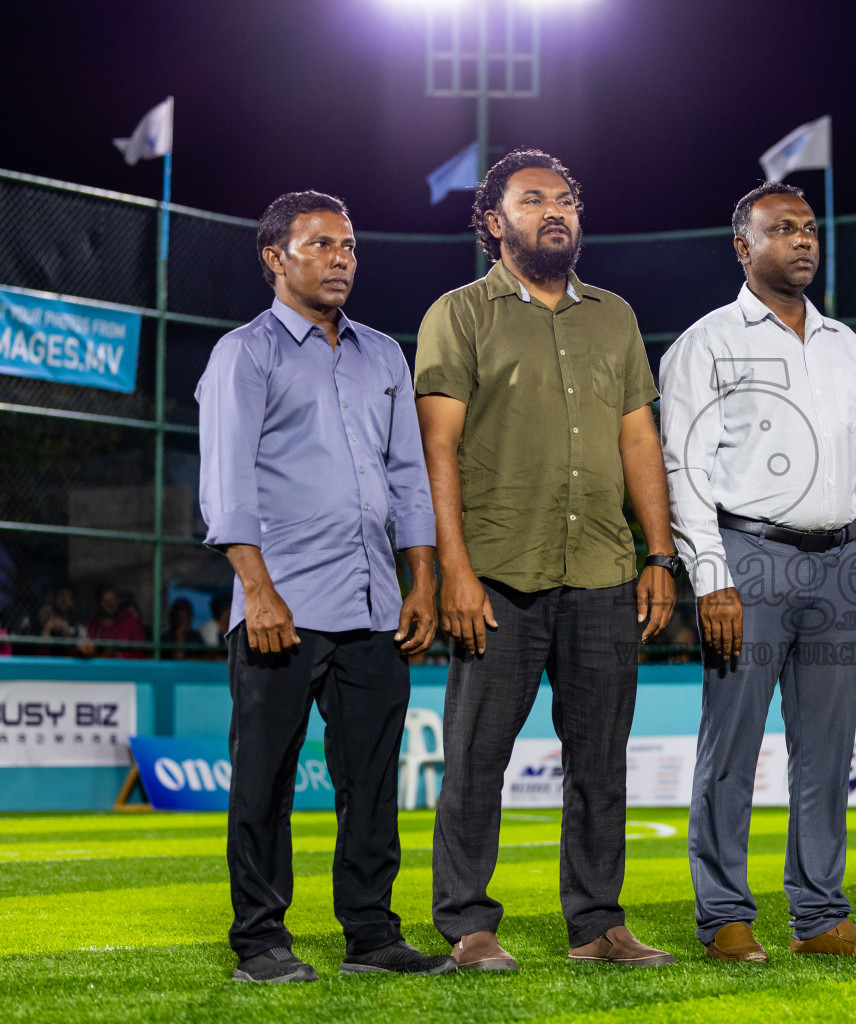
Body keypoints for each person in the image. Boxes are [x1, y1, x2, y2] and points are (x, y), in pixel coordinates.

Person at [416, 149, 677, 971]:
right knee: (475, 759)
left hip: (602, 569)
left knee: (600, 762)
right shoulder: (458, 314)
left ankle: (598, 923)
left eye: (565, 199)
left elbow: (640, 438)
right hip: (496, 575)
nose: (556, 211)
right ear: (494, 222)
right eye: (534, 201)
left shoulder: (615, 316)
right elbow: (438, 447)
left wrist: (661, 553)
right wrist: (454, 568)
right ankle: (468, 923)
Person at [197, 191, 449, 983]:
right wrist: (258, 591)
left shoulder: (382, 355)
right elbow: (226, 479)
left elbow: (408, 474)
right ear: (275, 258)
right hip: (281, 605)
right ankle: (261, 942)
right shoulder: (246, 352)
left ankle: (372, 937)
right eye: (320, 244)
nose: (341, 257)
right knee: (264, 779)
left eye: (347, 245)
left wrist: (423, 579)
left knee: (371, 783)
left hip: (377, 604)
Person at [660, 182, 856, 963]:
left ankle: (820, 917)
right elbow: (682, 466)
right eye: (781, 230)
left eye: (808, 229)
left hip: (840, 565)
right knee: (730, 746)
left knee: (827, 751)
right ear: (743, 246)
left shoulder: (843, 343)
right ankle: (725, 916)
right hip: (747, 557)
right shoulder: (706, 342)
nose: (802, 240)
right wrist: (710, 577)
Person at [84, 584, 148, 659]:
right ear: (99, 603)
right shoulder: (91, 626)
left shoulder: (130, 622)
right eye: (106, 602)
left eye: (113, 601)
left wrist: (116, 656)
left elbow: (140, 651)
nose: (110, 606)